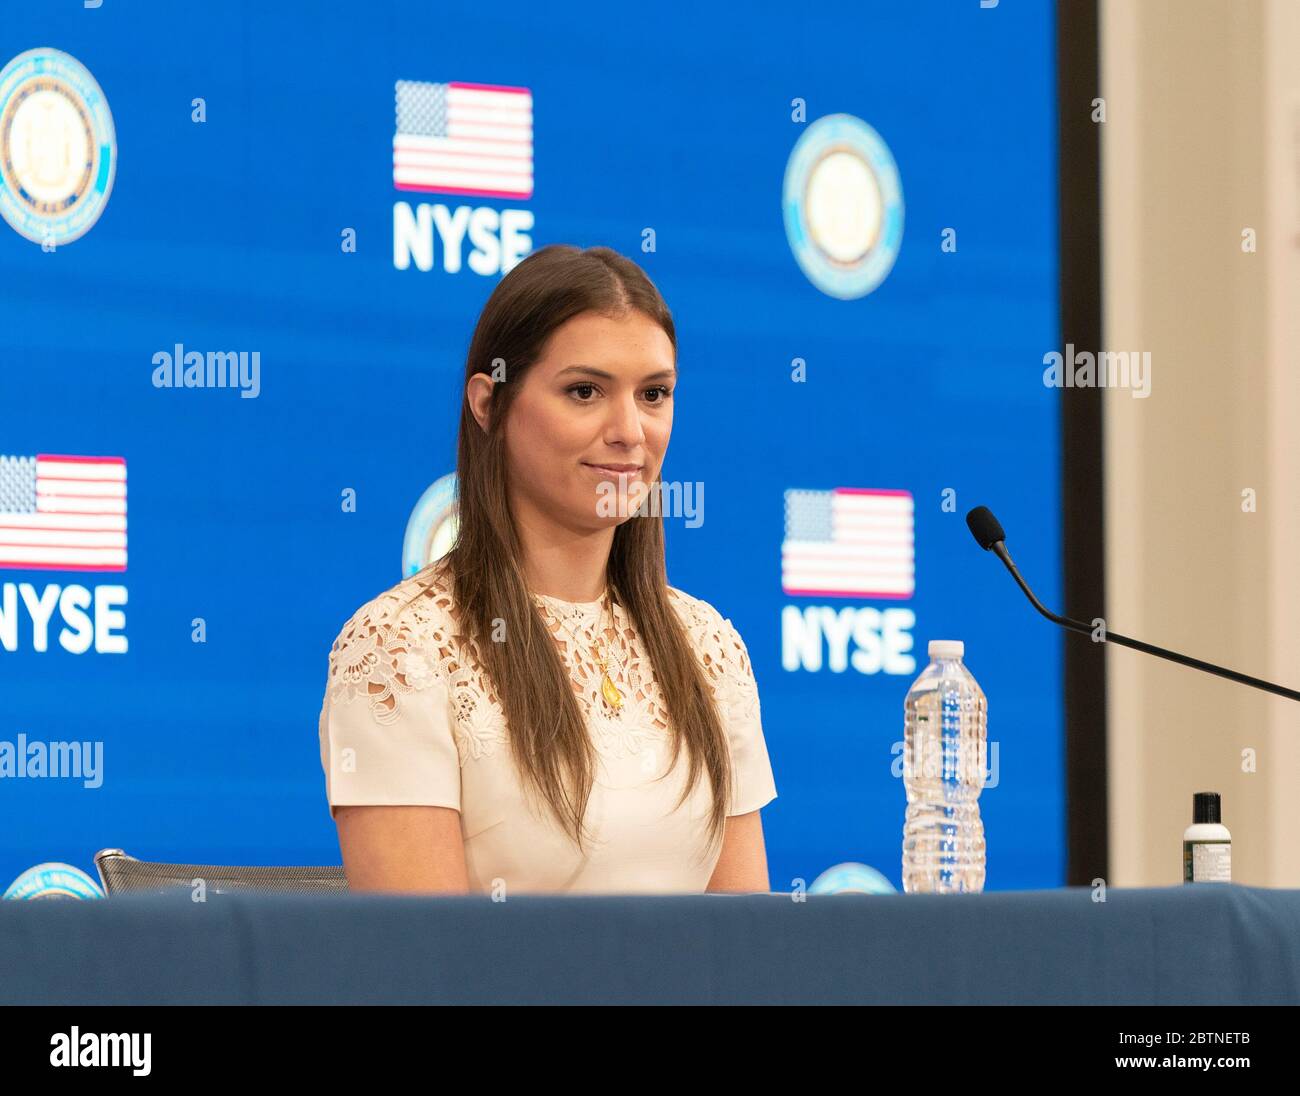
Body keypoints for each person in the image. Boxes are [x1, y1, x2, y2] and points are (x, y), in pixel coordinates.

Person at [317, 244, 777, 895]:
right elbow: (419, 973)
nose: (630, 431)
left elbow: (750, 958)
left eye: (654, 394)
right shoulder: (399, 649)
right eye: (585, 392)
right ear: (487, 404)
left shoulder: (709, 648)